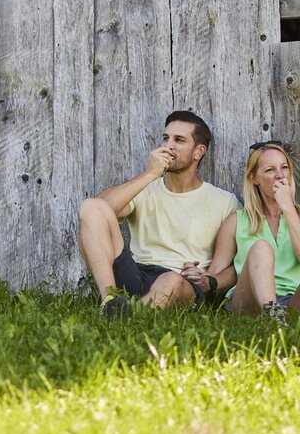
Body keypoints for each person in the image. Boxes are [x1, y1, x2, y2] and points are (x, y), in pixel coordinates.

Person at [79, 111, 238, 315]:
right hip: (136, 272)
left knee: (170, 280)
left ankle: (130, 314)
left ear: (199, 151)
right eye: (166, 138)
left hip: (181, 281)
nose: (168, 146)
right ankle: (110, 301)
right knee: (91, 207)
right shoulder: (145, 188)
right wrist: (149, 174)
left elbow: (237, 265)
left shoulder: (225, 202)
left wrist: (210, 281)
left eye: (179, 140)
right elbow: (99, 212)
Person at [189, 141, 300, 325]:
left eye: (284, 168)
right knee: (261, 248)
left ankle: (282, 319)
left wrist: (288, 209)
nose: (280, 176)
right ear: (253, 178)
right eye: (270, 170)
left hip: (293, 301)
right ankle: (275, 316)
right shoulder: (236, 220)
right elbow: (215, 274)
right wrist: (201, 279)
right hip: (249, 302)